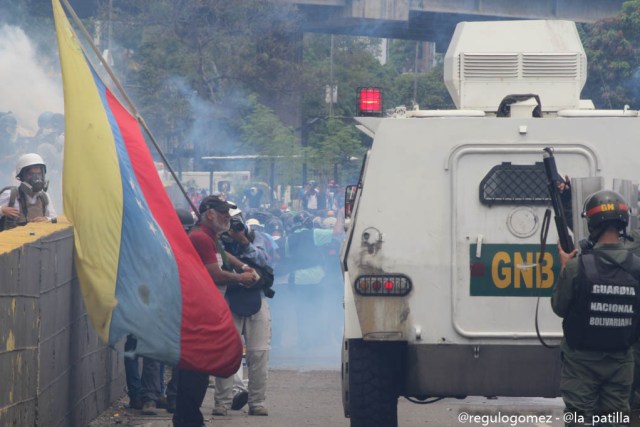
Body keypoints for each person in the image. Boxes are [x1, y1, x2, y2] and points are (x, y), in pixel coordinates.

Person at [551, 190, 640, 426]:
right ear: (623, 223)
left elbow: (559, 307)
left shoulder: (576, 267)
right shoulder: (637, 267)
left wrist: (563, 269)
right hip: (621, 363)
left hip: (580, 363)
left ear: (591, 224)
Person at [172, 194, 259, 427]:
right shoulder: (200, 237)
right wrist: (241, 277)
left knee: (200, 368)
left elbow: (222, 252)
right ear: (209, 214)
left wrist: (242, 264)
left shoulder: (211, 237)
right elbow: (214, 273)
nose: (226, 218)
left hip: (206, 309)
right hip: (198, 312)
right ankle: (188, 419)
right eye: (221, 213)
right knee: (196, 369)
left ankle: (187, 417)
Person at [215, 209, 273, 416]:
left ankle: (257, 402)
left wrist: (243, 241)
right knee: (226, 353)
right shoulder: (217, 240)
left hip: (256, 299)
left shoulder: (254, 237)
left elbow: (264, 260)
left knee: (259, 353)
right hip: (228, 299)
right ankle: (222, 402)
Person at [0, 153, 57, 231]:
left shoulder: (44, 197)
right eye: (31, 174)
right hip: (11, 241)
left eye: (39, 173)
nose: (36, 177)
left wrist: (48, 219)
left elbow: (54, 218)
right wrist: (2, 210)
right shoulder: (10, 195)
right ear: (21, 176)